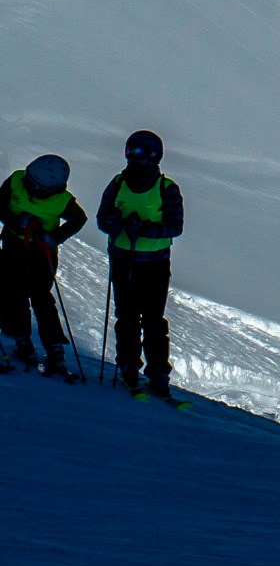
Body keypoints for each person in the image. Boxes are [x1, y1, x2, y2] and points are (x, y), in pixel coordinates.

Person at [94, 131, 185, 396]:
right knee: (128, 317)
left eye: (139, 154)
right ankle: (129, 366)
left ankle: (157, 373)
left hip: (154, 265)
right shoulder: (118, 183)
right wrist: (114, 224)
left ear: (154, 157)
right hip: (124, 260)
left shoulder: (166, 189)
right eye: (130, 152)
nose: (133, 159)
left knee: (153, 320)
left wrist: (143, 229)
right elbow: (102, 219)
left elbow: (175, 227)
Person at [1, 155, 88, 378]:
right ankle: (33, 343)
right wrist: (15, 222)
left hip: (39, 251)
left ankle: (39, 345)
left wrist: (54, 237)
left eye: (34, 185)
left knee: (38, 296)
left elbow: (79, 219)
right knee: (17, 292)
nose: (28, 186)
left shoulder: (62, 200)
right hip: (18, 246)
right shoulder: (17, 180)